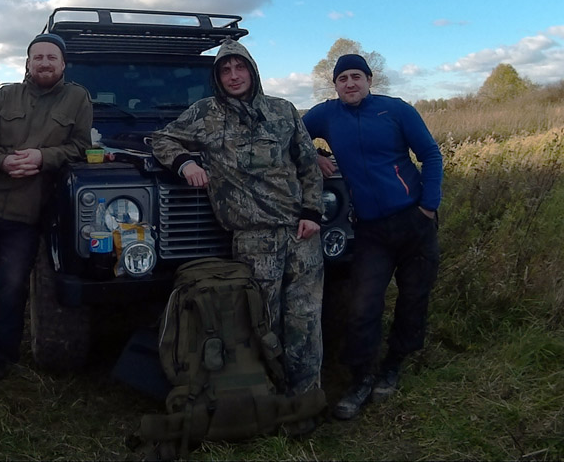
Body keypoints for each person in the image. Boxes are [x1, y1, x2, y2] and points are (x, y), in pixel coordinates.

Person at [151, 39, 325, 407]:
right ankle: (266, 400)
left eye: (239, 67)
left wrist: (312, 212)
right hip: (253, 238)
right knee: (262, 323)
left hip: (300, 232)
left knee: (305, 321)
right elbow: (161, 138)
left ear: (252, 71)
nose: (233, 75)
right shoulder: (205, 114)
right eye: (225, 70)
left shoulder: (283, 111)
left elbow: (309, 164)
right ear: (217, 77)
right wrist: (186, 163)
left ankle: (306, 400)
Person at [303, 54, 442, 420]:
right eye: (343, 78)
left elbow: (430, 154)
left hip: (414, 222)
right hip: (370, 230)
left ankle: (393, 364)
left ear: (369, 80)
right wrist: (315, 154)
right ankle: (361, 377)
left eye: (356, 77)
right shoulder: (326, 115)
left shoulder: (395, 110)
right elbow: (291, 133)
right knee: (363, 305)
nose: (350, 83)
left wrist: (428, 206)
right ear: (334, 84)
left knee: (413, 298)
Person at [0, 33, 92, 384]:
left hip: (27, 212)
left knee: (11, 284)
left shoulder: (78, 99)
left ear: (63, 64)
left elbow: (80, 147)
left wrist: (44, 157)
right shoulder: (4, 95)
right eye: (38, 57)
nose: (44, 63)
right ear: (28, 63)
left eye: (51, 57)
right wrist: (3, 163)